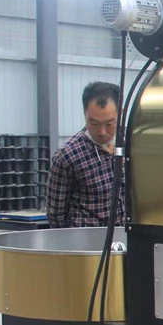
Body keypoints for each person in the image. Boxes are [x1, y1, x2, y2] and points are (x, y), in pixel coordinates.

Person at [46, 82, 125, 228]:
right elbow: (56, 215)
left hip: (124, 237)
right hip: (86, 238)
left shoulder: (130, 144)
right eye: (94, 123)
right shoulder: (67, 156)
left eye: (109, 124)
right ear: (84, 114)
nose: (102, 132)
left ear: (120, 114)